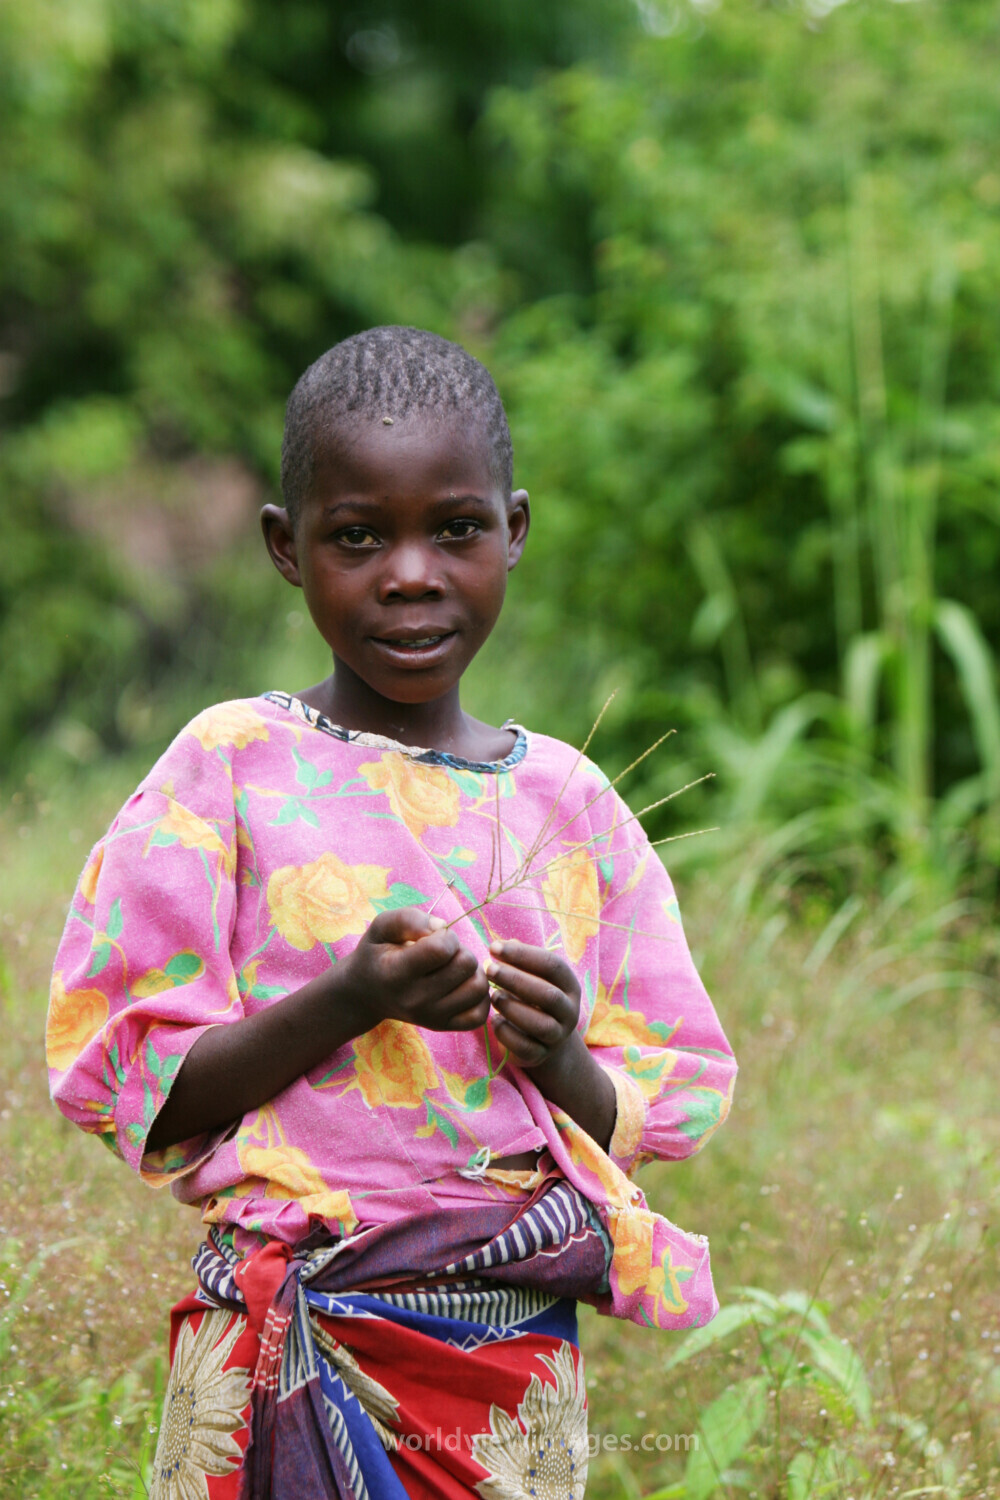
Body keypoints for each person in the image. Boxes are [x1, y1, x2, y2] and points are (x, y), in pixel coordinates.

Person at [47, 326, 736, 1500]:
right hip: (277, 1332)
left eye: (455, 529)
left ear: (514, 530)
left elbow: (657, 1103)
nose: (410, 572)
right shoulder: (227, 767)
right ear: (286, 547)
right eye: (358, 536)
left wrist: (558, 1052)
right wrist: (346, 1000)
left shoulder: (568, 803)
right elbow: (131, 1086)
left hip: (500, 1353)